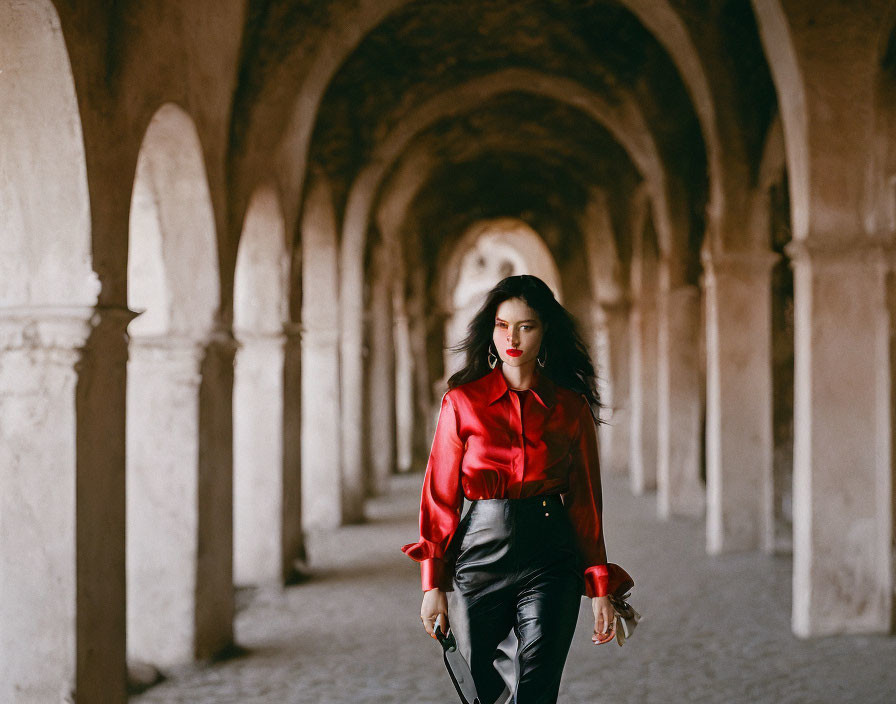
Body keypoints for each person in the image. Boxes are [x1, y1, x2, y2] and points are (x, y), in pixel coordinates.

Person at [401, 274, 633, 704]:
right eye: (502, 325)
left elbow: (585, 503)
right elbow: (439, 495)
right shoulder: (461, 403)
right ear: (490, 331)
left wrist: (600, 585)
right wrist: (434, 584)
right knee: (484, 694)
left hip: (552, 561)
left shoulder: (570, 408)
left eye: (526, 326)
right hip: (479, 561)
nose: (513, 337)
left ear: (545, 334)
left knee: (536, 690)